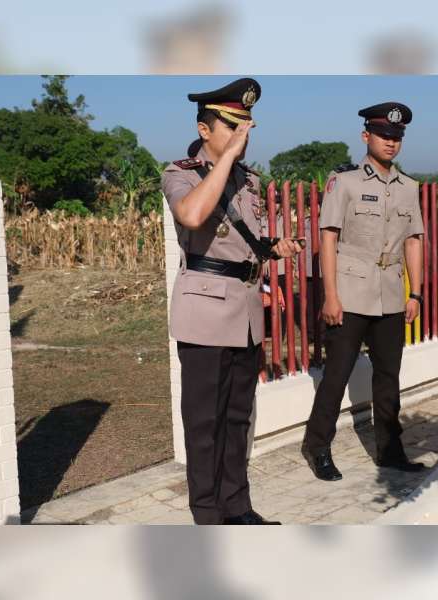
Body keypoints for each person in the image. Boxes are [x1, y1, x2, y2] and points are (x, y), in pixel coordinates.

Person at [161, 78, 303, 524]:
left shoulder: (249, 179)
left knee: (238, 417)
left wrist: (271, 246)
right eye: (231, 125)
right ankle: (207, 515)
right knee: (204, 425)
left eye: (246, 126)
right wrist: (224, 161)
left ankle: (237, 507)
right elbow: (194, 216)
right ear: (205, 130)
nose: (242, 134)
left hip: (244, 311)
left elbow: (240, 239)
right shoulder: (180, 172)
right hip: (203, 310)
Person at [301, 102, 426, 481]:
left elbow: (414, 241)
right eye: (384, 135)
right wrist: (331, 296)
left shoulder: (409, 188)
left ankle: (390, 450)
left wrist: (415, 293)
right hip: (351, 294)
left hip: (391, 294)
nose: (391, 142)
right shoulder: (346, 182)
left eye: (397, 136)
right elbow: (328, 237)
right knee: (337, 376)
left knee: (388, 377)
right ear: (366, 136)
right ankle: (317, 445)